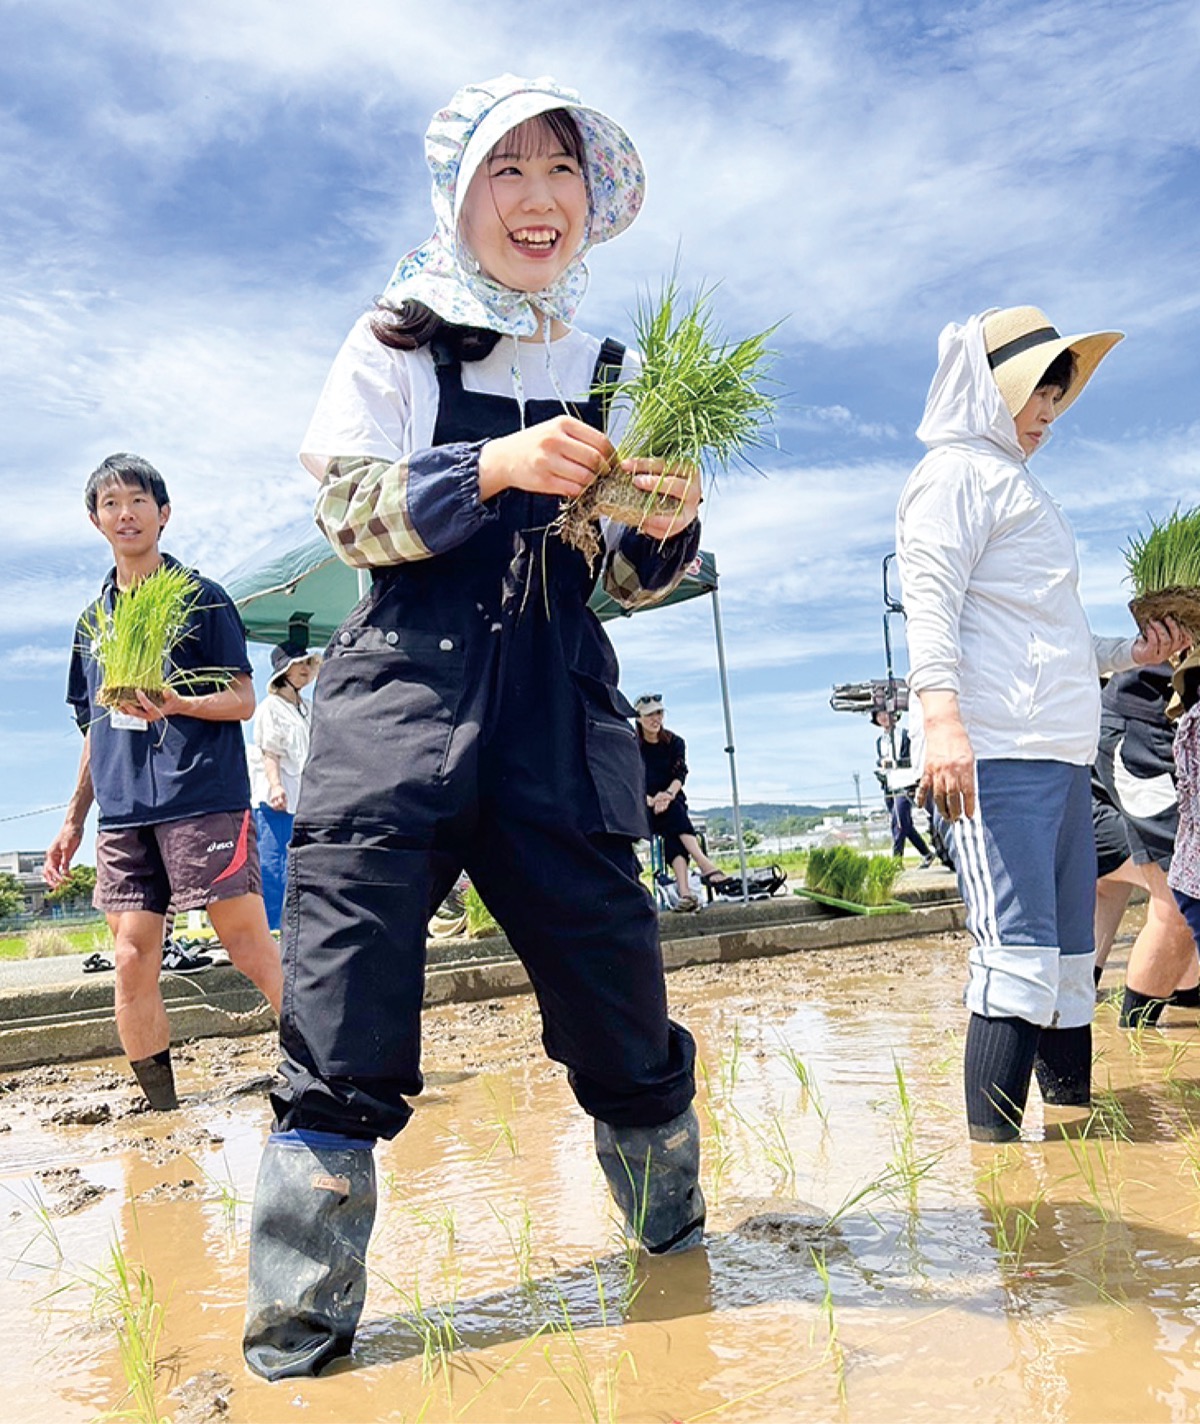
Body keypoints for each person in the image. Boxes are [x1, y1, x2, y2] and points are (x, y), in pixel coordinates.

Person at [243, 75, 706, 1381]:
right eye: (508, 171)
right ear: (462, 197)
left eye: (561, 170)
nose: (538, 198)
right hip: (397, 713)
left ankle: (684, 1278)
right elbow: (349, 520)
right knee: (339, 1031)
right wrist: (489, 467)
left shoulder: (615, 368)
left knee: (624, 1019)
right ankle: (296, 1350)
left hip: (561, 722)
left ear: (591, 199)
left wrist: (663, 530)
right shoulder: (393, 340)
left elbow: (618, 580)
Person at [896, 306, 1188, 1143]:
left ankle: (1071, 1145)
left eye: (1057, 399)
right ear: (987, 389)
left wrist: (1132, 650)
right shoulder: (953, 473)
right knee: (1015, 960)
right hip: (999, 755)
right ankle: (995, 1188)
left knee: (1065, 969)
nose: (1048, 417)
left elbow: (1052, 640)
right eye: (1035, 395)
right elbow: (930, 603)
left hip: (1061, 760)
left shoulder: (1018, 486)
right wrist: (942, 721)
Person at [43, 454, 283, 1111]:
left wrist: (175, 702)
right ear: (95, 520)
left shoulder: (202, 596)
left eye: (139, 501)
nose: (127, 513)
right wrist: (72, 820)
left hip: (201, 795)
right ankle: (162, 1109)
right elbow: (95, 727)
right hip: (122, 813)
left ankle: (332, 1068)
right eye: (112, 503)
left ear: (164, 512)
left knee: (245, 944)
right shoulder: (92, 625)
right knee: (129, 958)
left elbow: (242, 698)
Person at [1091, 666, 1199, 1024]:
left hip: (1163, 725)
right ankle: (1138, 1038)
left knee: (1118, 885)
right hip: (1142, 731)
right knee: (1181, 893)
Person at [247, 643, 321, 932]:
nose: (304, 668)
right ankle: (273, 931)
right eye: (298, 663)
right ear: (282, 671)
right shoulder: (269, 708)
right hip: (276, 801)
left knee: (303, 865)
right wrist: (276, 785)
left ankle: (302, 928)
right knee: (275, 867)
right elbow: (270, 751)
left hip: (305, 800)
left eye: (307, 663)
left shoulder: (307, 708)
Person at [634, 694, 730, 911]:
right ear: (638, 718)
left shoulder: (675, 742)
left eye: (659, 713)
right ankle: (704, 865)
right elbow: (629, 780)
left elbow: (680, 774)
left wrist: (666, 795)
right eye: (649, 715)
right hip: (645, 807)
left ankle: (685, 894)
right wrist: (650, 800)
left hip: (672, 800)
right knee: (673, 817)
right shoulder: (632, 747)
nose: (655, 718)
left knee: (673, 819)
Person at [871, 707, 934, 865]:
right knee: (904, 823)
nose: (883, 717)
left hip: (905, 783)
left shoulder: (905, 735)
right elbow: (881, 761)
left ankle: (896, 861)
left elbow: (915, 757)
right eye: (879, 715)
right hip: (889, 784)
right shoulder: (879, 741)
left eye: (886, 713)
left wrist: (897, 763)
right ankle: (926, 853)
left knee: (898, 822)